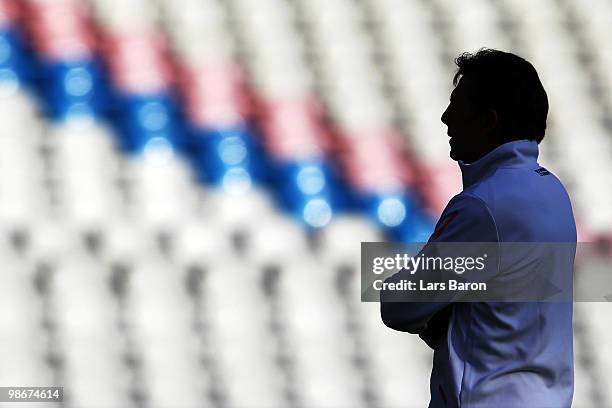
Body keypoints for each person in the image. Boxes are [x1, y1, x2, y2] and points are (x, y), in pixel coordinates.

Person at [380, 49, 577, 407]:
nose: (445, 118)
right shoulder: (553, 191)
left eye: (458, 106)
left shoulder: (483, 204)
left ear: (488, 121)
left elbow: (399, 305)